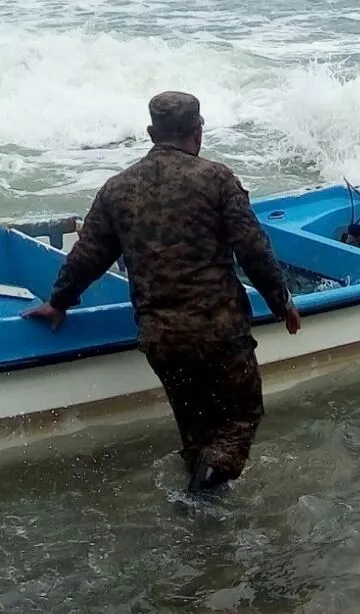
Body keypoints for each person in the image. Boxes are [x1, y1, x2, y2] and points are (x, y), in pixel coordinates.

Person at [22, 91, 302, 493]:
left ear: (152, 132)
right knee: (238, 422)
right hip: (218, 333)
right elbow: (253, 251)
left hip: (161, 339)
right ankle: (200, 500)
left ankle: (201, 501)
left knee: (195, 434)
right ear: (198, 131)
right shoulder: (217, 180)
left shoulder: (118, 189)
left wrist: (58, 303)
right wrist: (283, 303)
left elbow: (87, 256)